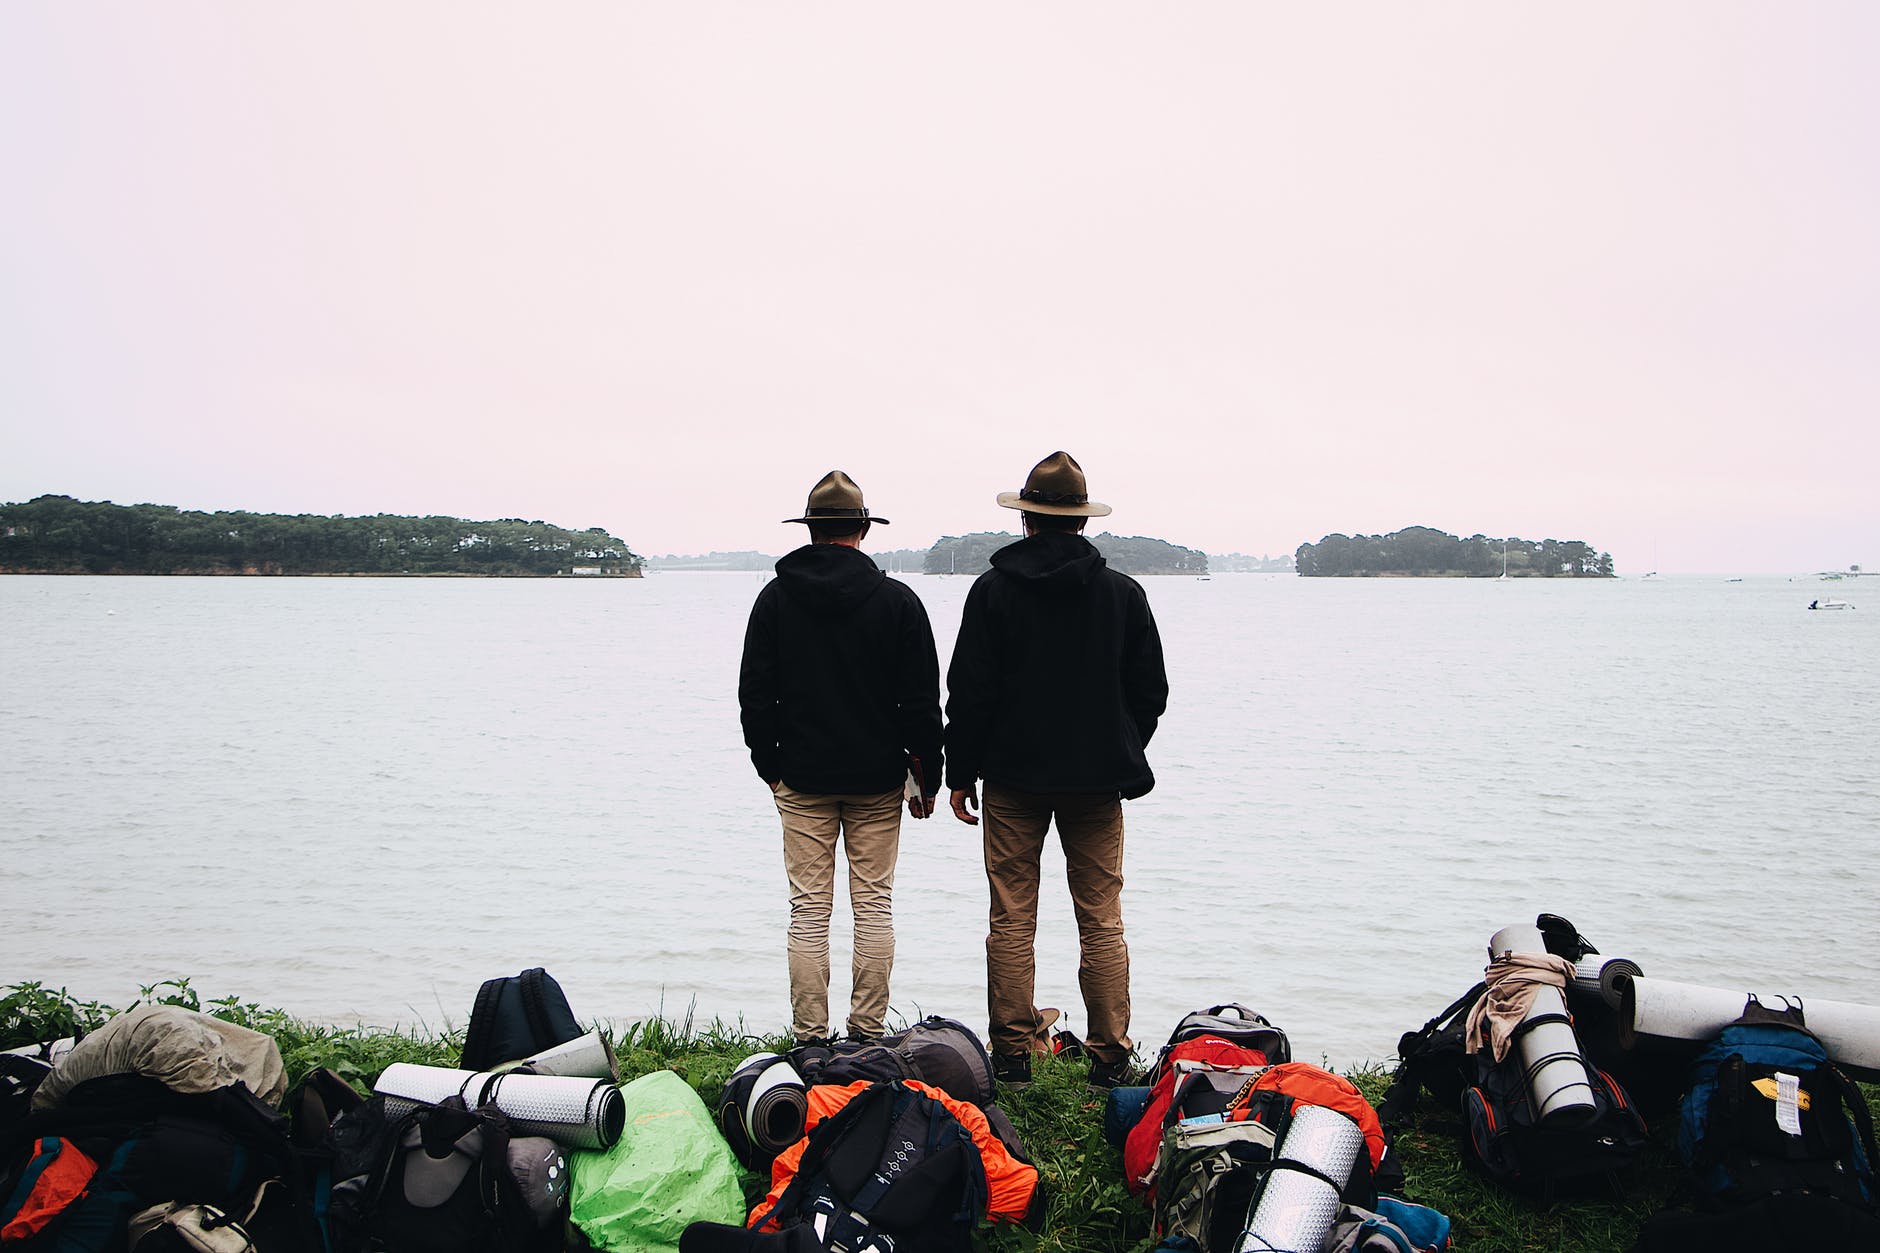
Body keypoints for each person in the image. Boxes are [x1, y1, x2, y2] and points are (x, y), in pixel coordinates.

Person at [944, 451, 1169, 1089]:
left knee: (1012, 913)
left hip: (1013, 779)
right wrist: (1122, 742)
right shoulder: (1123, 594)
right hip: (1098, 783)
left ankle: (1013, 1056)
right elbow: (1150, 690)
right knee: (1101, 914)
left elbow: (970, 692)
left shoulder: (992, 592)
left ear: (1027, 521)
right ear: (1079, 520)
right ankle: (1108, 1059)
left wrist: (960, 771)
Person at [739, 470, 944, 1044]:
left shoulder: (776, 599)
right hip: (877, 779)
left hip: (800, 777)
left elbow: (754, 694)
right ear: (861, 530)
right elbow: (922, 701)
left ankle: (809, 1038)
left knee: (808, 912)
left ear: (810, 532)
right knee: (873, 906)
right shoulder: (898, 602)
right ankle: (868, 1034)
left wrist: (770, 766)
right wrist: (927, 776)